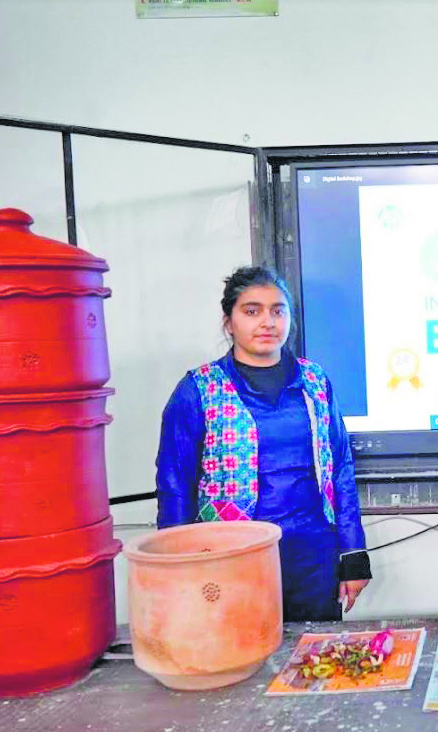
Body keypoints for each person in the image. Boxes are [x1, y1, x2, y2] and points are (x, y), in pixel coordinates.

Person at [156, 265, 371, 621]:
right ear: (229, 322)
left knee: (312, 660)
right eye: (252, 311)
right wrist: (176, 565)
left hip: (312, 557)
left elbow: (341, 469)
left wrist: (352, 554)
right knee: (240, 658)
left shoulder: (314, 381)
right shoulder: (199, 388)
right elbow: (175, 484)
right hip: (231, 559)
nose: (267, 322)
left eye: (278, 311)